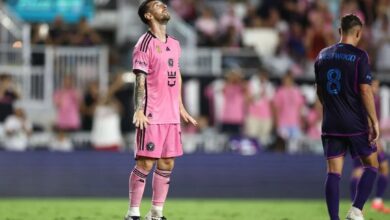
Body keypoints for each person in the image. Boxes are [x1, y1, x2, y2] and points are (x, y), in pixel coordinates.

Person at [124, 1, 197, 220]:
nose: (164, 5)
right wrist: (138, 109)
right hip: (152, 113)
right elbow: (140, 79)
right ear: (148, 16)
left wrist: (181, 105)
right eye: (157, 5)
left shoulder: (175, 43)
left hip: (171, 115)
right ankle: (133, 213)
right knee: (145, 162)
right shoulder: (144, 44)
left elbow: (176, 73)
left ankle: (156, 213)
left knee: (167, 162)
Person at [314, 14, 380, 220]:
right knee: (372, 165)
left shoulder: (322, 55)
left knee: (333, 173)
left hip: (331, 122)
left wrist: (332, 107)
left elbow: (319, 91)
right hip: (354, 122)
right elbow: (365, 91)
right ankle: (356, 209)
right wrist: (374, 120)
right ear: (359, 33)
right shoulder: (360, 56)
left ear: (339, 31)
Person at [350, 79, 390, 214]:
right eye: (374, 85)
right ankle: (355, 205)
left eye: (378, 86)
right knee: (359, 170)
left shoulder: (375, 99)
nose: (376, 88)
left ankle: (377, 202)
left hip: (372, 136)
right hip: (362, 136)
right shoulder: (361, 97)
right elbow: (364, 117)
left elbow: (374, 119)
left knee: (383, 166)